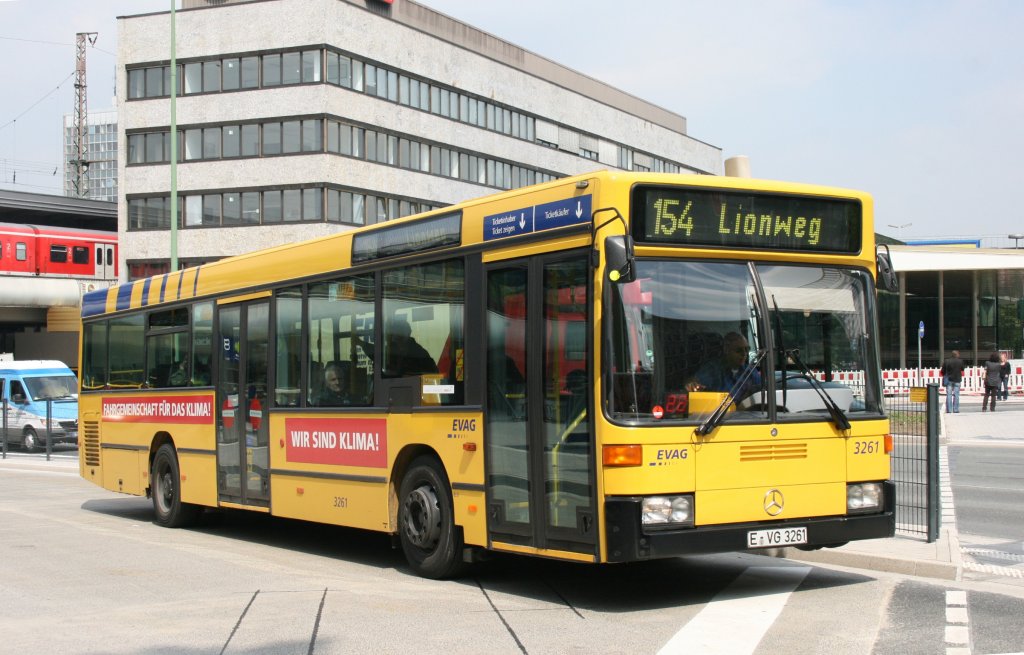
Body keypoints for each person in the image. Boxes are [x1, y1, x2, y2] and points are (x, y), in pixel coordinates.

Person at [688, 331, 761, 396]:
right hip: (718, 411)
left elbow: (761, 390)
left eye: (747, 349)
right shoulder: (713, 370)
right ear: (726, 350)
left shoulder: (749, 371)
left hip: (746, 411)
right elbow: (692, 383)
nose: (744, 354)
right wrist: (693, 384)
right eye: (739, 350)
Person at [939, 349, 965, 414]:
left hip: (949, 380)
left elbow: (943, 370)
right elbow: (962, 369)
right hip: (957, 380)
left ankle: (949, 410)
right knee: (956, 395)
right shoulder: (960, 361)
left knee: (949, 395)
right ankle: (956, 409)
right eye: (959, 354)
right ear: (957, 354)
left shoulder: (947, 361)